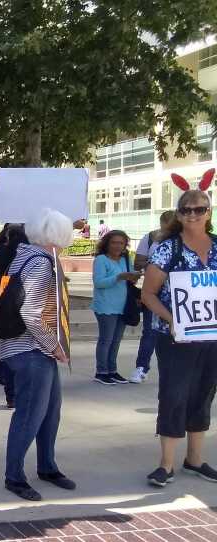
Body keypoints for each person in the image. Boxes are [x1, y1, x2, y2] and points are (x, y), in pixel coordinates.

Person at [141, 169, 217, 488]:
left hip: (211, 336)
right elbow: (148, 294)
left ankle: (195, 460)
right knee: (173, 395)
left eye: (199, 209)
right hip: (175, 336)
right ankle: (166, 464)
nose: (192, 214)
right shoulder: (167, 248)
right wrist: (175, 321)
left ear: (208, 212)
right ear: (179, 213)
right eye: (186, 209)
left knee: (203, 394)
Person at [0, 208, 76, 502]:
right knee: (30, 415)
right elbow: (31, 313)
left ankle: (47, 466)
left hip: (27, 349)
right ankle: (14, 476)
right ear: (59, 234)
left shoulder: (24, 257)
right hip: (31, 349)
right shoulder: (42, 264)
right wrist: (55, 346)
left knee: (50, 411)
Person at [0, 216, 28, 408]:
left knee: (4, 342)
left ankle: (10, 393)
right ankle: (17, 391)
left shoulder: (3, 254)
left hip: (3, 304)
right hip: (24, 303)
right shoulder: (32, 256)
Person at [130, 210, 174, 383]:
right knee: (150, 331)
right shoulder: (150, 238)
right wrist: (156, 264)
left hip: (178, 295)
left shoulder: (184, 240)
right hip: (154, 292)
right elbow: (138, 263)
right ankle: (142, 367)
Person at [91, 230, 140, 385]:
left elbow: (130, 280)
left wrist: (134, 276)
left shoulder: (125, 259)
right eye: (114, 242)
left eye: (121, 243)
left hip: (123, 305)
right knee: (106, 340)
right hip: (106, 305)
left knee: (116, 340)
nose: (118, 246)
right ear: (107, 243)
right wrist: (119, 277)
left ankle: (112, 370)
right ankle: (101, 371)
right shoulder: (101, 260)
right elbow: (99, 283)